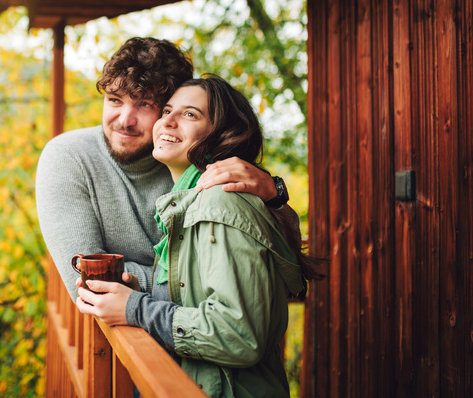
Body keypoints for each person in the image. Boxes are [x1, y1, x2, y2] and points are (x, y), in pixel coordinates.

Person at [75, 75, 324, 397]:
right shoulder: (188, 204)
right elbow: (202, 301)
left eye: (190, 114)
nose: (169, 121)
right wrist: (147, 298)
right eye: (166, 111)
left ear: (223, 134)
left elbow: (238, 335)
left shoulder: (217, 203)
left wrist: (136, 308)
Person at [36, 37, 293, 301]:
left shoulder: (197, 161)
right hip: (149, 331)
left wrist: (275, 194)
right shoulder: (69, 156)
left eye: (145, 104)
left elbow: (273, 265)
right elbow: (89, 282)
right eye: (114, 100)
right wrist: (185, 282)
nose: (125, 120)